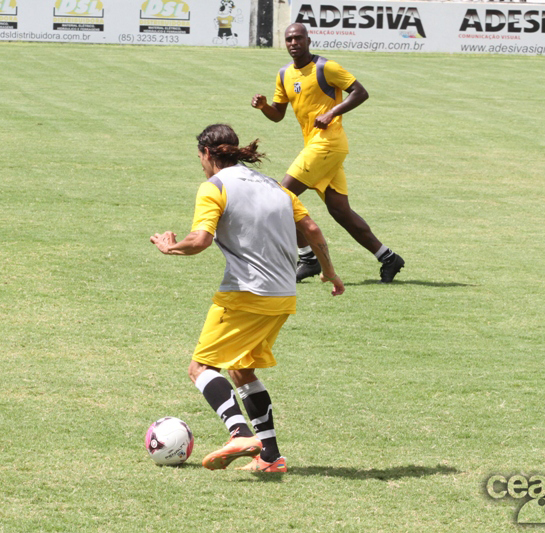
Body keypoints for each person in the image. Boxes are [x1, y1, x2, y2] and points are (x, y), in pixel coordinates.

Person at [150, 124, 344, 473]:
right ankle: (270, 457)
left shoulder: (214, 187)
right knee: (242, 370)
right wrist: (329, 270)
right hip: (283, 296)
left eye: (200, 159)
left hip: (245, 293)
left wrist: (170, 247)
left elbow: (200, 240)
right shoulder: (275, 187)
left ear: (207, 154)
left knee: (201, 368)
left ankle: (239, 433)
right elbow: (312, 230)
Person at [251, 23, 405, 283]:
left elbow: (361, 92)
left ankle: (308, 258)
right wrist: (265, 106)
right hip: (317, 146)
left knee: (280, 196)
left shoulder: (326, 67)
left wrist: (332, 112)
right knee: (340, 211)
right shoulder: (284, 74)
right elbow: (278, 115)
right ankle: (388, 257)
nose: (293, 43)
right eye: (289, 39)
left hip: (328, 144)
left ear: (308, 40)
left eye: (298, 38)